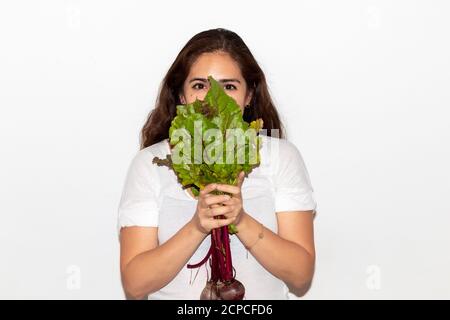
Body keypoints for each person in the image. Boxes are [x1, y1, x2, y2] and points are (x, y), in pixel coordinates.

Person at [117, 28, 317, 300]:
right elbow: (135, 284)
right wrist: (198, 225)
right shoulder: (150, 165)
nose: (213, 99)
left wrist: (240, 220)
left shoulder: (281, 158)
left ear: (248, 97)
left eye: (229, 87)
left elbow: (301, 276)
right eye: (199, 85)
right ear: (181, 96)